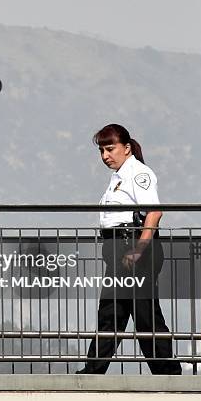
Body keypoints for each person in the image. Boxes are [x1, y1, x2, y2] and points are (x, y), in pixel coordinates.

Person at [76, 123, 182, 375]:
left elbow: (154, 212)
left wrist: (139, 249)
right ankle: (94, 370)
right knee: (112, 311)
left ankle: (168, 372)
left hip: (133, 247)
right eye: (102, 151)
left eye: (110, 149)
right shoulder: (119, 177)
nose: (105, 156)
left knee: (144, 313)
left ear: (126, 147)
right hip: (118, 249)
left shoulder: (137, 172)